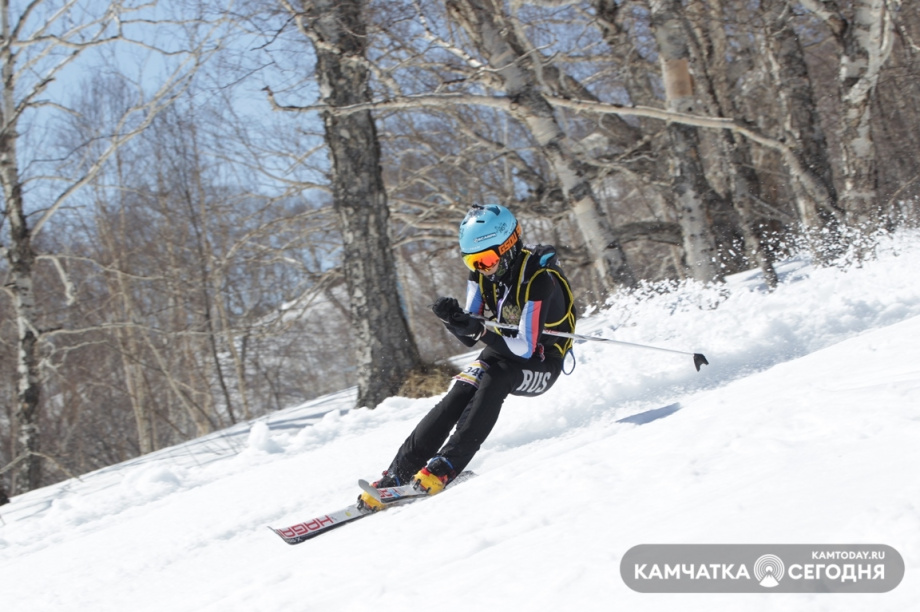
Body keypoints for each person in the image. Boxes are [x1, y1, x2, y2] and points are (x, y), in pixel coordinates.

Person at [358, 204, 577, 510]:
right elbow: (471, 332)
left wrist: (477, 332)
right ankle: (398, 473)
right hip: (505, 352)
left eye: (486, 259)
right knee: (462, 389)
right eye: (472, 261)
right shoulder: (482, 276)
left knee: (495, 378)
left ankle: (446, 466)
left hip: (543, 363)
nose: (481, 268)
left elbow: (524, 348)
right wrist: (454, 320)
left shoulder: (539, 280)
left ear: (508, 247)